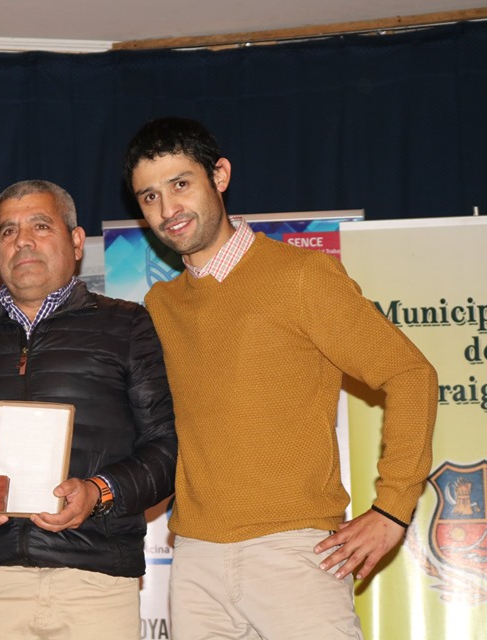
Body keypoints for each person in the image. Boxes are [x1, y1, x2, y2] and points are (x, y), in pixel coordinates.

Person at [123, 116, 438, 640]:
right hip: (195, 560)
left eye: (180, 184)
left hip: (295, 551)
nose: (168, 209)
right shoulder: (160, 305)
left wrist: (393, 509)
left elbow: (410, 374)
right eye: (149, 196)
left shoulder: (301, 276)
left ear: (219, 176)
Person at [0, 179, 177, 640]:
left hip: (96, 582)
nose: (22, 240)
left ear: (77, 241)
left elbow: (166, 448)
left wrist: (98, 492)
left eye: (40, 226)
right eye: (8, 231)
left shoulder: (127, 325)